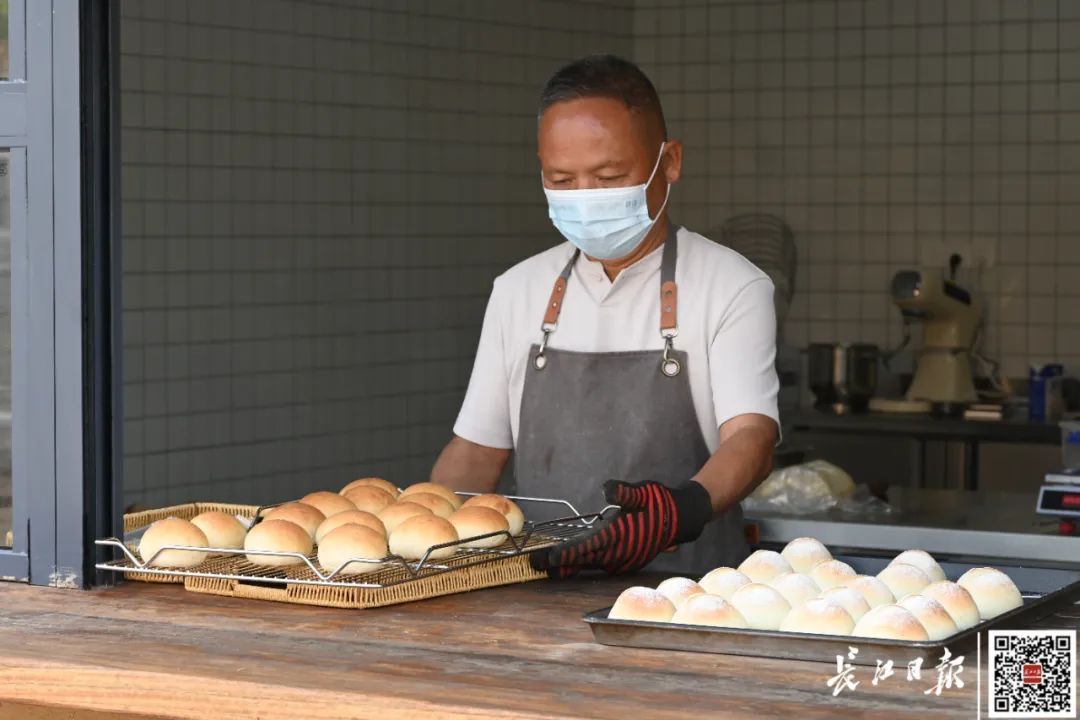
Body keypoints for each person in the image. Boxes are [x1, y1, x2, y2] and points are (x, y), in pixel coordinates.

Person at [430, 55, 779, 576]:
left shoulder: (732, 285)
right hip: (539, 591)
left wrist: (682, 510)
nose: (586, 199)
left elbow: (752, 436)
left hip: (687, 596)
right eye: (562, 180)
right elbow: (478, 449)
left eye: (610, 176)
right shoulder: (518, 289)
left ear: (671, 161)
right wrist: (423, 522)